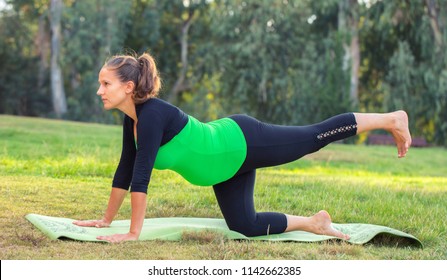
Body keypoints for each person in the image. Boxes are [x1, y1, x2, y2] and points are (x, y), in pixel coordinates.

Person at [73, 52, 412, 243]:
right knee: (245, 226)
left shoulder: (151, 116)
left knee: (312, 138)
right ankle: (315, 223)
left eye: (106, 83)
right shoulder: (130, 121)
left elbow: (142, 177)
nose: (99, 90)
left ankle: (391, 119)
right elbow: (126, 171)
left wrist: (133, 233)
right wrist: (105, 220)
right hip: (224, 168)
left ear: (129, 86)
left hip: (241, 141)